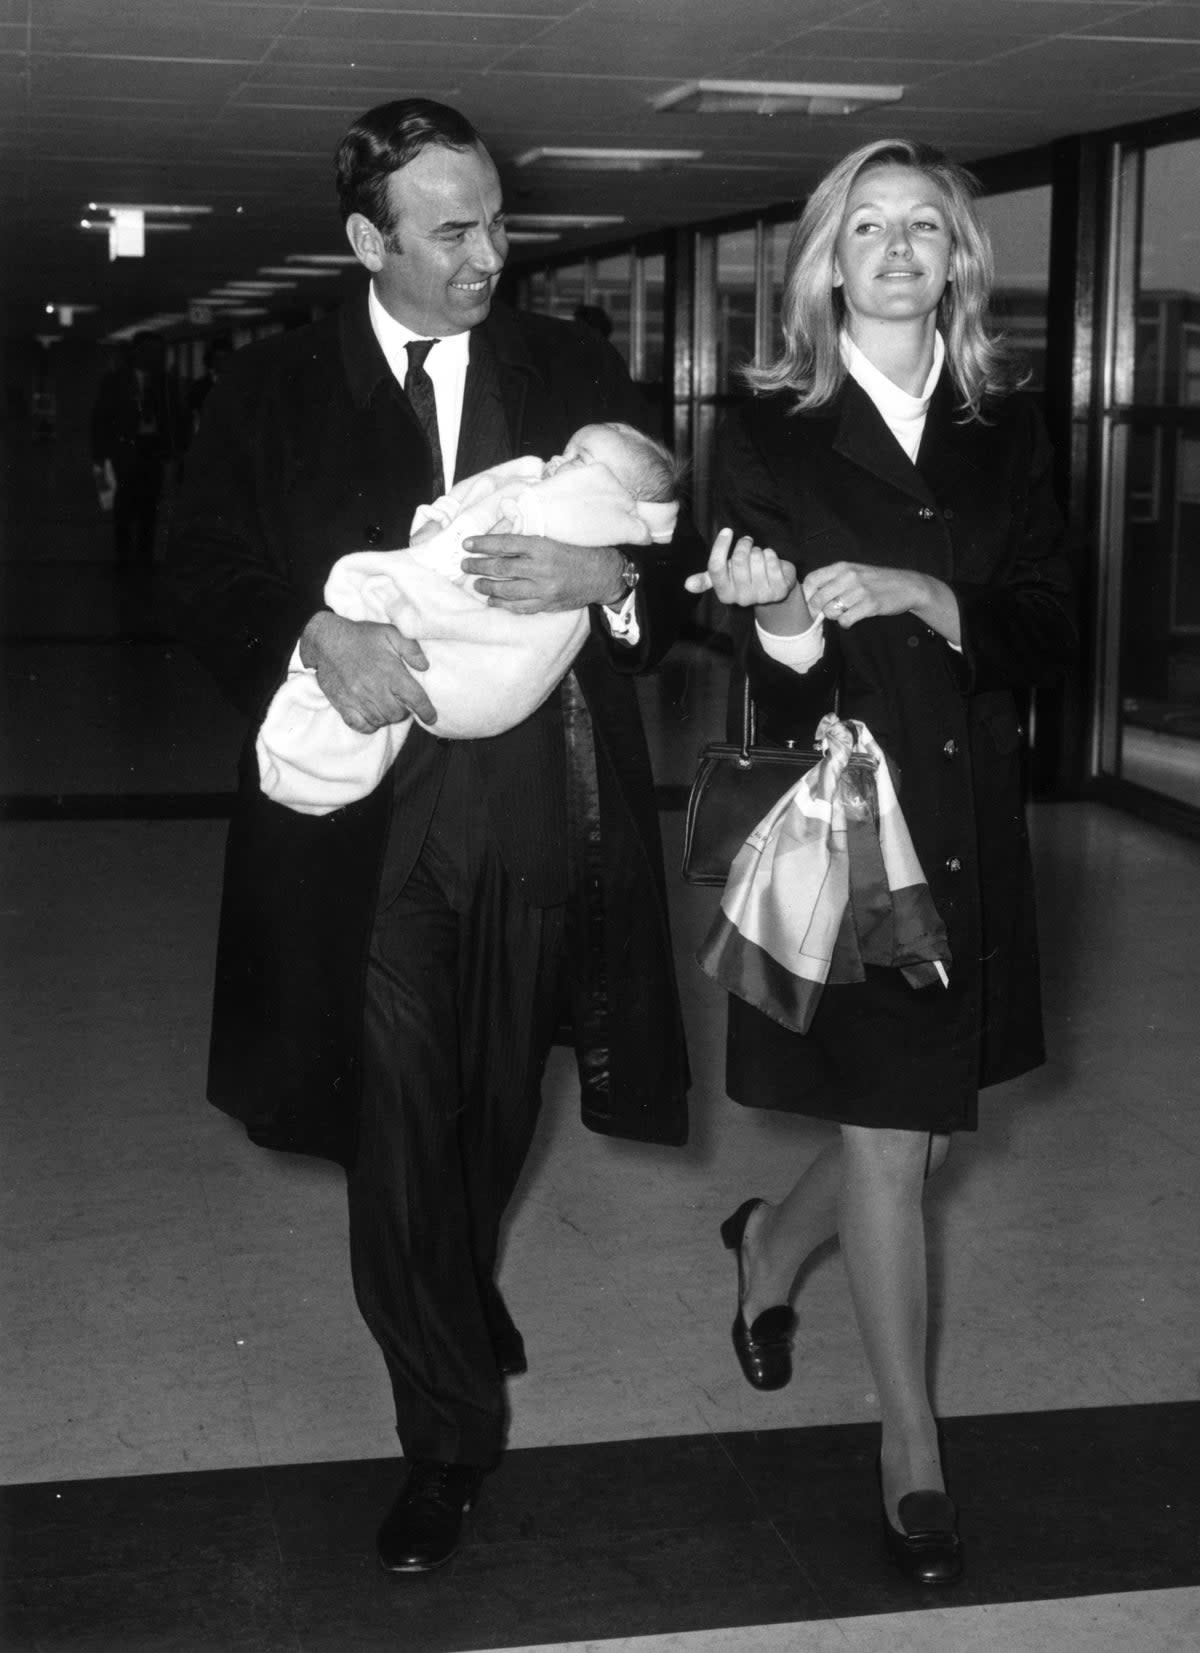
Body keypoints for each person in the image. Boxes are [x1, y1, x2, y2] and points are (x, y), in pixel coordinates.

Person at [169, 98, 698, 1576]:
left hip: (534, 796)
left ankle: (450, 1286)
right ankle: (446, 1432)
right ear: (367, 240)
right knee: (398, 1108)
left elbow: (676, 558)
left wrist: (606, 570)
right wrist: (314, 630)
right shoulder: (272, 386)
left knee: (492, 1091)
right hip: (366, 816)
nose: (490, 255)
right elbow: (197, 565)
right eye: (453, 231)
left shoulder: (572, 369)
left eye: (497, 223)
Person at [687, 138, 1076, 1586]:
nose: (901, 250)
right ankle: (910, 1445)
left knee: (901, 1131)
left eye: (927, 229)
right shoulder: (773, 430)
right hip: (855, 832)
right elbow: (774, 673)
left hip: (970, 826)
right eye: (871, 229)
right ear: (828, 263)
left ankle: (769, 1255)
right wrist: (776, 618)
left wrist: (933, 593)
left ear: (957, 263)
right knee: (892, 1142)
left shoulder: (1004, 425)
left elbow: (1048, 624)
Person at [256, 420, 682, 814]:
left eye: (580, 460)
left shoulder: (594, 509)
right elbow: (482, 489)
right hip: (393, 659)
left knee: (407, 638)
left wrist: (611, 573)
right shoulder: (533, 474)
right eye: (566, 450)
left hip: (512, 706)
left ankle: (317, 752)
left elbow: (668, 551)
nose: (557, 461)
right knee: (386, 675)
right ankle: (318, 761)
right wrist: (439, 518)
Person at [90, 331, 181, 564]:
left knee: (151, 502)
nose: (156, 356)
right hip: (126, 449)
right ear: (137, 352)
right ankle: (123, 553)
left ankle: (145, 552)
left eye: (159, 352)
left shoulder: (165, 382)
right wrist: (100, 454)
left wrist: (173, 450)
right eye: (151, 351)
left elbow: (175, 418)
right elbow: (101, 418)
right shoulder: (116, 381)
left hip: (153, 449)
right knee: (124, 502)